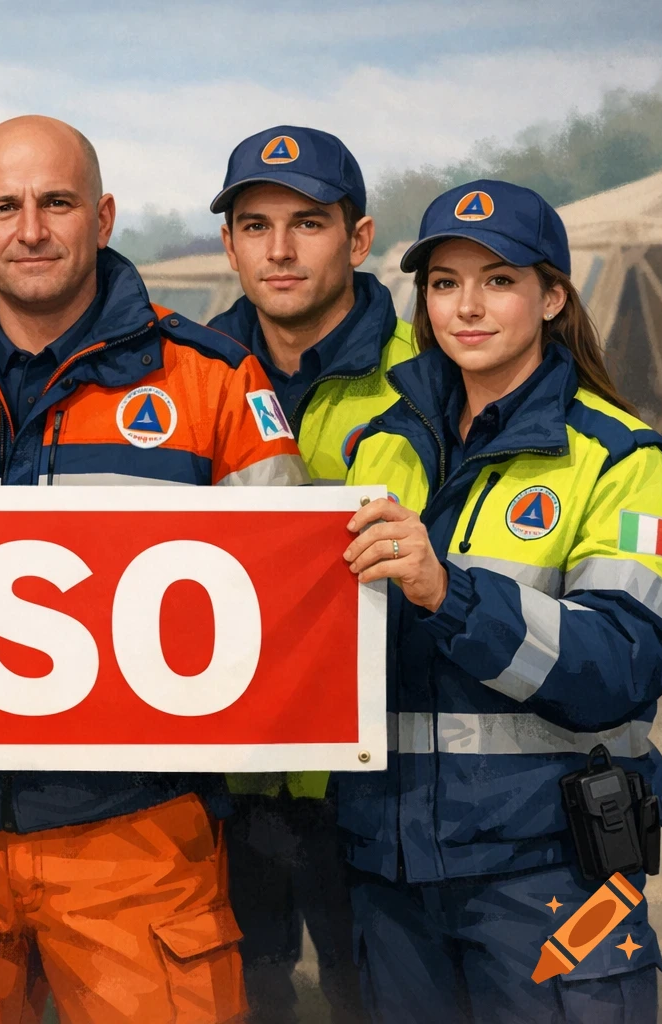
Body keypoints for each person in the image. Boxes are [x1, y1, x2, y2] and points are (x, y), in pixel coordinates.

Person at [0, 114, 308, 1024]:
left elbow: (296, 605)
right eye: (5, 207)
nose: (31, 229)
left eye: (56, 202)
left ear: (104, 215)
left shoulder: (212, 380)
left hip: (139, 836)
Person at [341, 179, 662, 1022]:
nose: (468, 306)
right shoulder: (379, 448)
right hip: (392, 878)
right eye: (446, 283)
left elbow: (624, 665)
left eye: (499, 279)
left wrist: (448, 593)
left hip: (549, 879)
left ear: (553, 295)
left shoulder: (620, 459)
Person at [206, 125, 413, 1024]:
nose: (279, 250)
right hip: (219, 776)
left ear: (359, 239)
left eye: (309, 224)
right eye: (255, 225)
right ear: (229, 243)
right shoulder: (183, 377)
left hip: (380, 785)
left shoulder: (436, 382)